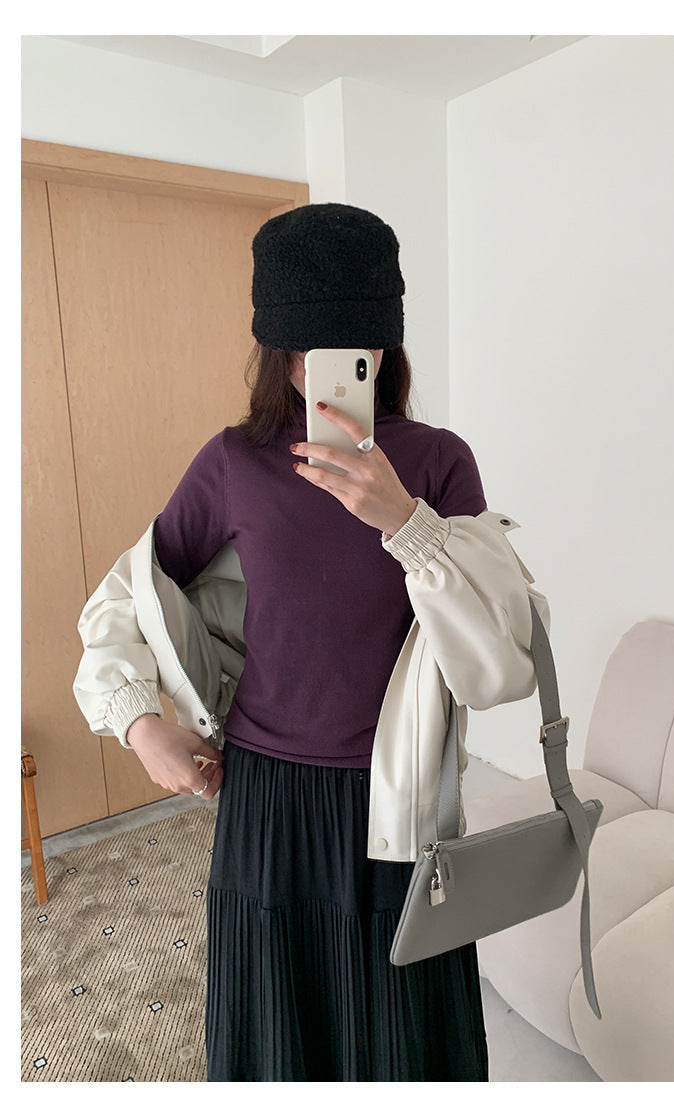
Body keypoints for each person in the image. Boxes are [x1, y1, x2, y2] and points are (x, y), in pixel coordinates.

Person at [73, 202, 550, 1082]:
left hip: (399, 796)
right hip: (265, 797)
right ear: (276, 350)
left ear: (383, 346)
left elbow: (500, 661)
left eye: (348, 347)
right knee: (276, 1039)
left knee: (403, 1042)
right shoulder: (234, 461)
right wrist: (140, 723)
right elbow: (127, 591)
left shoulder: (436, 462)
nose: (320, 369)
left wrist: (405, 520)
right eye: (303, 349)